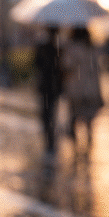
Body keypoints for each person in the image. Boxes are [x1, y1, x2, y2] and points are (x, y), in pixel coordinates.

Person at [62, 26, 104, 152]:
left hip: (76, 89)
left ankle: (75, 149)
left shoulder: (71, 48)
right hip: (91, 89)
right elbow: (98, 69)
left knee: (74, 118)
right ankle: (88, 149)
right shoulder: (92, 48)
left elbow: (67, 66)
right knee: (89, 122)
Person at [33, 26, 63, 156]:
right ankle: (50, 139)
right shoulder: (58, 49)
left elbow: (36, 64)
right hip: (52, 86)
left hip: (46, 86)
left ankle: (49, 139)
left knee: (46, 114)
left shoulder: (44, 47)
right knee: (51, 113)